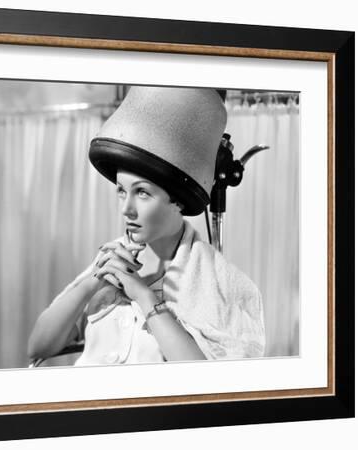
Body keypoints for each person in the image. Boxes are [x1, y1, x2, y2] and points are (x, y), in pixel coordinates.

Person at [27, 86, 266, 365]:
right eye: (120, 191)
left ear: (177, 200)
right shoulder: (111, 261)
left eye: (142, 193)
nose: (126, 208)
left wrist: (143, 296)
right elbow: (37, 348)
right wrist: (91, 282)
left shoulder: (222, 283)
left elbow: (210, 385)